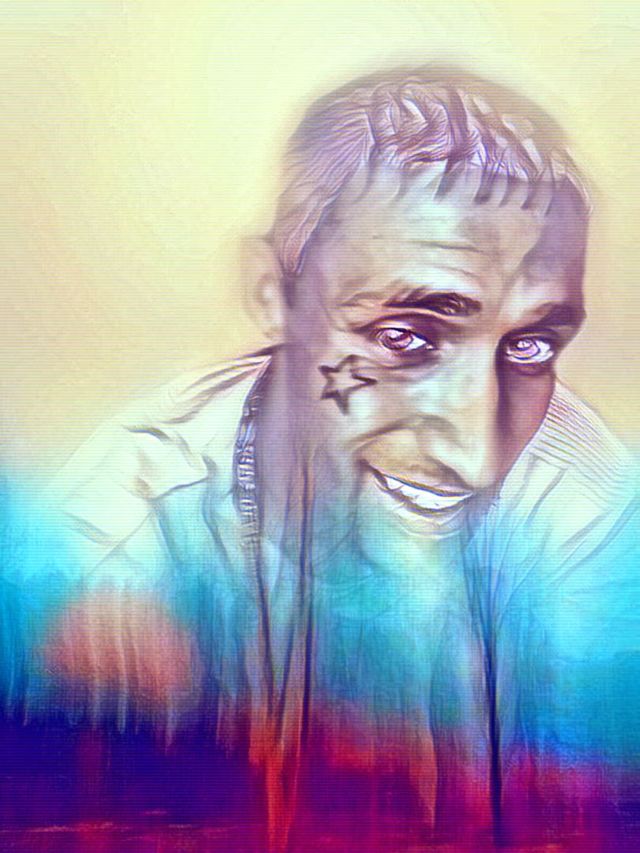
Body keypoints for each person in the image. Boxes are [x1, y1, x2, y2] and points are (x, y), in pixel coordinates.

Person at [41, 68, 640, 851]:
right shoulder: (120, 528)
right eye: (406, 336)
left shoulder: (589, 509)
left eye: (529, 345)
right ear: (274, 295)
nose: (478, 452)